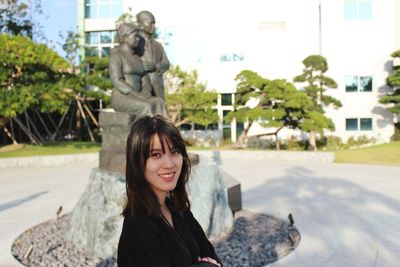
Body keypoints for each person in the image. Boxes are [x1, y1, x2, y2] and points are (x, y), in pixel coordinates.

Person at [118, 114, 222, 267]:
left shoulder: (177, 209)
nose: (169, 164)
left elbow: (213, 256)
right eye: (156, 155)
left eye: (174, 152)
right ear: (138, 163)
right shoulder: (139, 225)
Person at [109, 23, 166, 115]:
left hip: (140, 95)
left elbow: (145, 78)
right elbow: (117, 81)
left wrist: (146, 92)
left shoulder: (138, 57)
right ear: (125, 37)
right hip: (122, 96)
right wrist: (136, 94)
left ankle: (163, 129)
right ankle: (143, 129)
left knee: (160, 102)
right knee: (147, 106)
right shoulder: (116, 56)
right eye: (135, 36)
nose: (138, 39)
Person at [136, 10, 170, 100]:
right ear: (140, 24)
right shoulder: (134, 43)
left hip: (157, 85)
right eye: (151, 23)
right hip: (140, 84)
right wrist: (141, 66)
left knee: (160, 110)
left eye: (154, 23)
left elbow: (166, 62)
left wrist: (156, 66)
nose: (153, 26)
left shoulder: (157, 45)